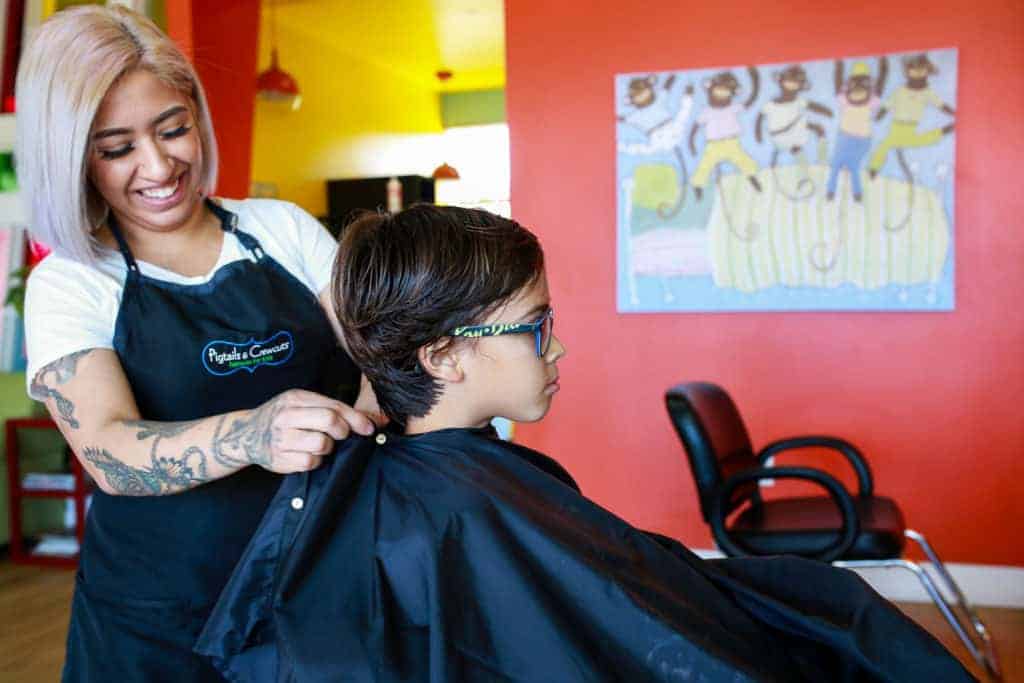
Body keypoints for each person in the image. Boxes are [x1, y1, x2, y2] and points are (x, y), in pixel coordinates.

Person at [196, 205, 973, 681]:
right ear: (445, 356)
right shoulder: (449, 511)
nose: (557, 349)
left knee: (825, 604)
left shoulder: (465, 486)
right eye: (537, 327)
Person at [16, 6, 377, 681]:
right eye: (116, 147)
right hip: (155, 626)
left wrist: (379, 401)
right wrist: (253, 434)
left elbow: (376, 358)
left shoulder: (283, 231)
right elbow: (111, 451)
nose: (158, 165)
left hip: (316, 597)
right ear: (71, 154)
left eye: (172, 128)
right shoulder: (71, 281)